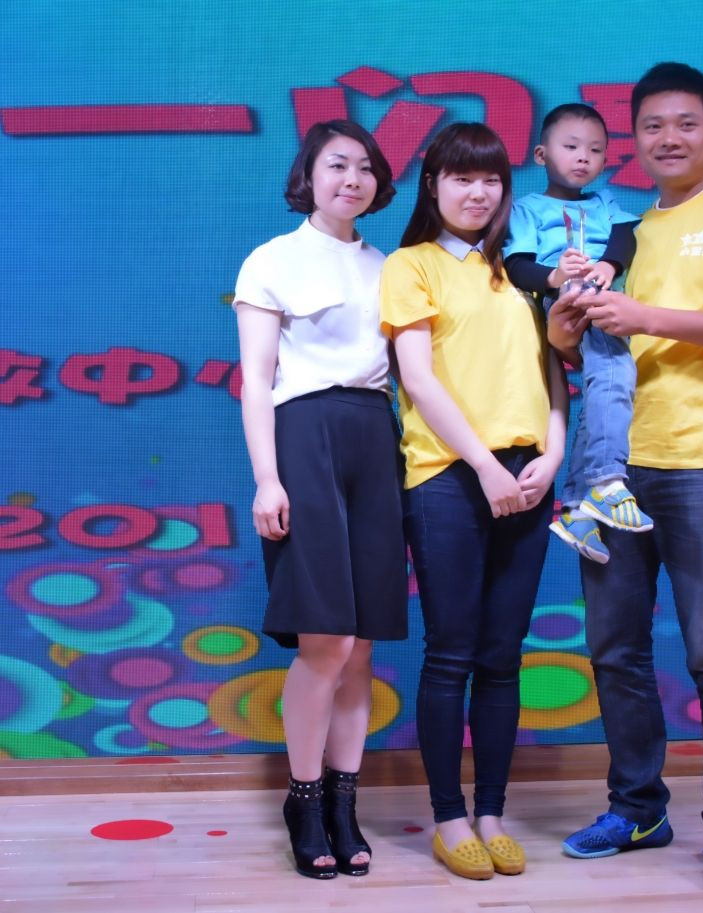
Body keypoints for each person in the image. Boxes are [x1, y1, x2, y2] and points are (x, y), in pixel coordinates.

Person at [550, 63, 703, 889]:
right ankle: (637, 808)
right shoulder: (619, 228)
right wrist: (565, 328)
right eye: (652, 125)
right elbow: (587, 348)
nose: (669, 138)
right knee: (614, 651)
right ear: (633, 137)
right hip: (609, 470)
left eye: (685, 123)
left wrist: (643, 315)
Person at [380, 122, 567, 881]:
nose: (478, 192)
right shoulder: (411, 264)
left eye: (491, 179)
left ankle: (492, 812)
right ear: (433, 185)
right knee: (452, 651)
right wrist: (486, 466)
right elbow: (418, 378)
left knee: (502, 656)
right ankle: (449, 817)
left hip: (528, 474)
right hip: (449, 477)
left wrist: (553, 453)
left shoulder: (520, 274)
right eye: (462, 177)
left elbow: (555, 373)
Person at [233, 120, 408, 880]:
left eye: (365, 168)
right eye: (337, 165)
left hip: (376, 435)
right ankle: (303, 799)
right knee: (326, 639)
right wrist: (267, 478)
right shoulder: (272, 259)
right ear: (309, 174)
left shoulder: (392, 267)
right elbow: (256, 379)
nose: (352, 179)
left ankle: (344, 801)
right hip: (304, 435)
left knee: (362, 642)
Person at [504, 103, 648, 565]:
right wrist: (554, 276)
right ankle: (605, 479)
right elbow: (516, 265)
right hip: (564, 302)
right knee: (614, 375)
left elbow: (625, 236)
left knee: (607, 380)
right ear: (541, 154)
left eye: (595, 150)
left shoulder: (605, 203)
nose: (583, 157)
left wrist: (609, 264)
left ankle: (576, 510)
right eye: (571, 147)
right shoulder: (527, 208)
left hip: (603, 299)